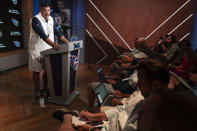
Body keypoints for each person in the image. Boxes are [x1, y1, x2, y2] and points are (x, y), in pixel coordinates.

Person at [52, 58, 171, 131]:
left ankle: (68, 116)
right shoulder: (144, 99)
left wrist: (90, 129)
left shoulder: (152, 115)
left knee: (67, 124)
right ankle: (71, 116)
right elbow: (122, 110)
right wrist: (93, 117)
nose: (138, 84)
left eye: (141, 80)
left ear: (155, 85)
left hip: (104, 128)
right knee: (76, 119)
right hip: (107, 125)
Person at [28, 3, 69, 97]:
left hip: (48, 50)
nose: (47, 12)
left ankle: (45, 89)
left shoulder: (50, 19)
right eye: (45, 10)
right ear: (41, 10)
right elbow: (42, 35)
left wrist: (68, 42)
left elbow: (57, 32)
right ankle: (37, 90)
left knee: (48, 70)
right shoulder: (35, 20)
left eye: (48, 10)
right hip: (36, 50)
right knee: (37, 71)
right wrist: (54, 45)